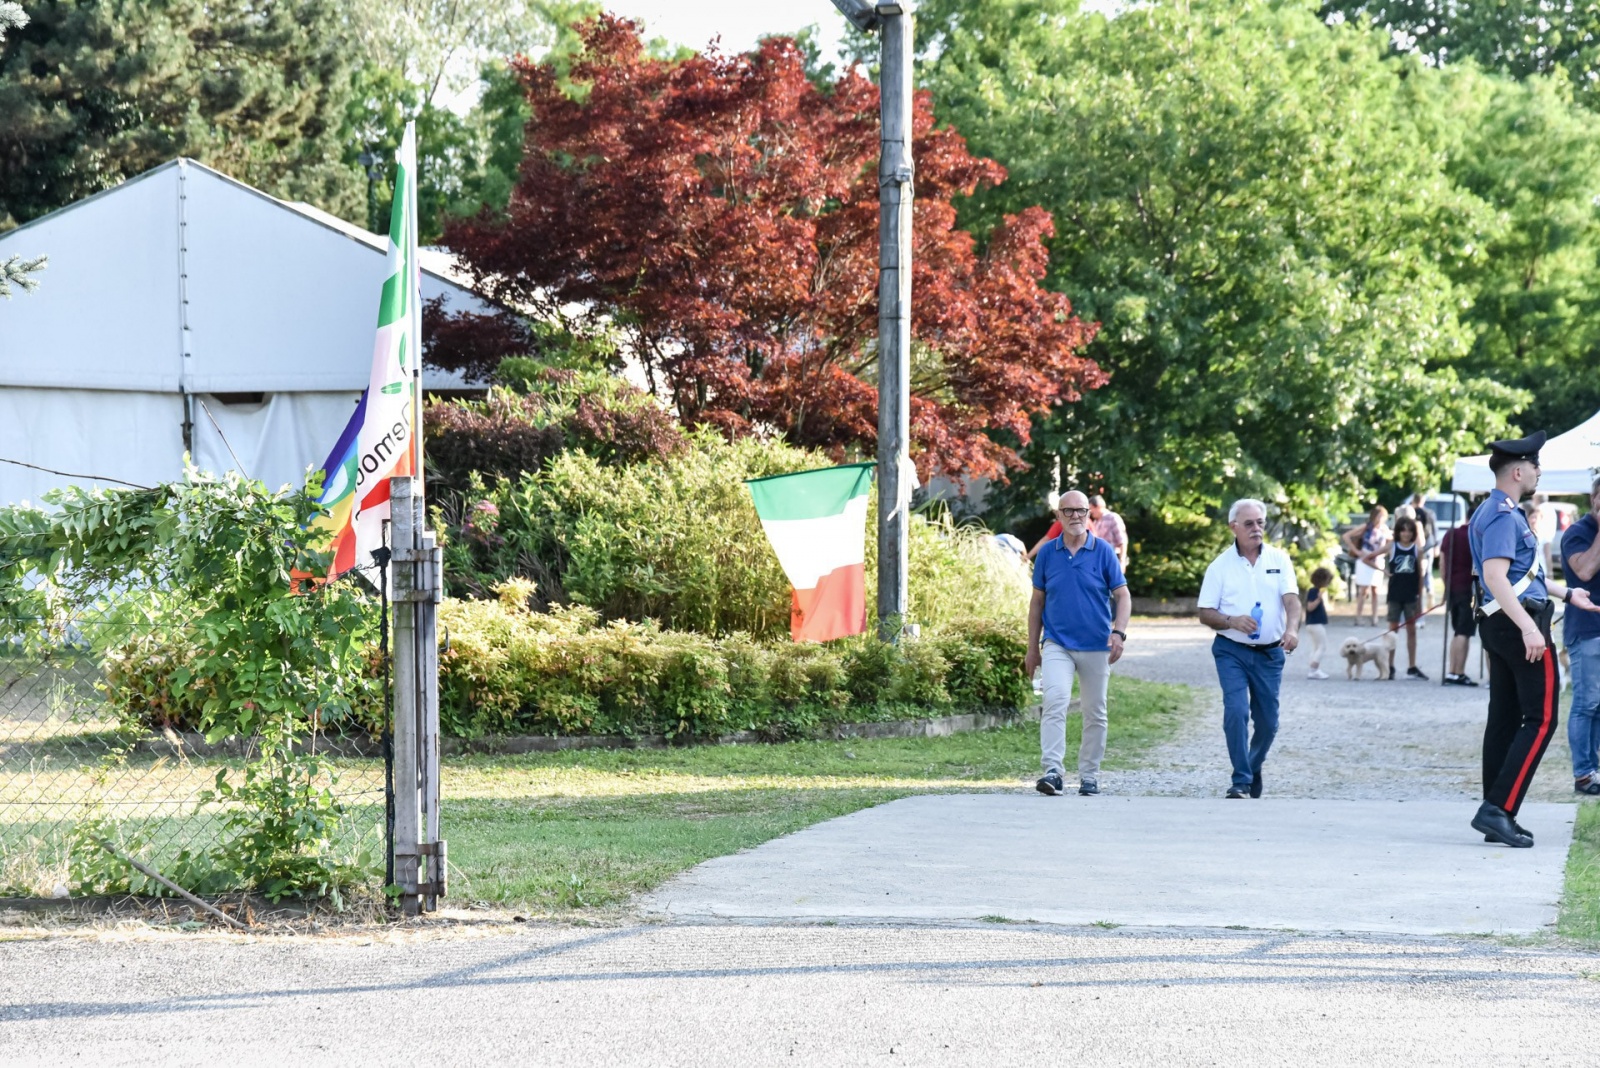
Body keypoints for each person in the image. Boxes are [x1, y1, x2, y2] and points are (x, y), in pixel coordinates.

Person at [1467, 431, 1599, 847]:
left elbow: (1523, 577)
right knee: (1541, 719)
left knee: (1504, 718)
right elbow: (1494, 576)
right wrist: (1528, 627)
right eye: (1536, 466)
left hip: (1501, 623)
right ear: (1519, 470)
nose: (1540, 472)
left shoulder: (1490, 510)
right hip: (1518, 626)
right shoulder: (1505, 516)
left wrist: (1566, 593)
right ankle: (1498, 809)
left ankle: (1496, 811)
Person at [1025, 490, 1132, 797]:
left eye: (1081, 511)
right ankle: (1053, 771)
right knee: (1055, 699)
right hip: (1057, 642)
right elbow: (1037, 603)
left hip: (1097, 644)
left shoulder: (1103, 552)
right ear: (1058, 516)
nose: (1075, 516)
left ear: (1089, 515)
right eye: (1068, 511)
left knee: (1095, 710)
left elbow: (1122, 596)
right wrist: (1033, 648)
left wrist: (1119, 632)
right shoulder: (1047, 554)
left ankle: (1089, 774)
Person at [1197, 498, 1301, 799]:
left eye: (1260, 523)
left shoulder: (1279, 560)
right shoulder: (1220, 566)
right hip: (1232, 651)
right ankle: (1241, 779)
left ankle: (1252, 766)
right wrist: (1231, 620)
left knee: (1268, 722)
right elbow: (1205, 612)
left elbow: (1292, 600)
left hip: (1270, 653)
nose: (1256, 529)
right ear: (1234, 527)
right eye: (1249, 524)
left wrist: (1292, 629)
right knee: (1236, 710)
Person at [1559, 474, 1600, 796]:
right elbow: (1585, 571)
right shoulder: (1577, 533)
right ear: (1594, 498)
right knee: (1586, 703)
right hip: (1586, 631)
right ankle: (1583, 774)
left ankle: (1595, 769)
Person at [1362, 515, 1428, 680]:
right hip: (1395, 593)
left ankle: (1411, 666)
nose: (1406, 534)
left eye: (1409, 531)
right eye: (1403, 530)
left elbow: (1420, 574)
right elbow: (1367, 558)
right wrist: (1383, 571)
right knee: (1393, 630)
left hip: (1411, 594)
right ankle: (1389, 666)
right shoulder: (1392, 546)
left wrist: (1420, 596)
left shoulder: (1416, 550)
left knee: (1411, 631)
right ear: (1398, 532)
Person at [1440, 511, 1479, 686]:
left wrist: (1446, 584)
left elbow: (1442, 563)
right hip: (1468, 588)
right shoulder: (1475, 536)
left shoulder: (1450, 534)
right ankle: (1459, 672)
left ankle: (1452, 670)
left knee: (1457, 631)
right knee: (1465, 631)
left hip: (1452, 587)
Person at [1342, 506, 1389, 627]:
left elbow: (1391, 542)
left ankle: (1374, 617)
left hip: (1377, 560)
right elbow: (1346, 536)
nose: (1380, 519)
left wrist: (1385, 552)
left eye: (1382, 517)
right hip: (1364, 559)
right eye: (1379, 516)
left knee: (1375, 591)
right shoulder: (1365, 527)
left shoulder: (1384, 529)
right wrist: (1356, 552)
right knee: (1363, 590)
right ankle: (1358, 616)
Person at [1410, 492, 1439, 613]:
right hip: (1429, 544)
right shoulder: (1430, 513)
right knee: (1428, 572)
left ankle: (1422, 594)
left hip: (1417, 545)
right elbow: (1434, 529)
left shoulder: (1412, 513)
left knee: (1419, 573)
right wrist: (1436, 545)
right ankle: (1430, 590)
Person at [1303, 567, 1332, 680]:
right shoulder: (1314, 591)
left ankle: (1315, 669)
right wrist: (1319, 599)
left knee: (1316, 647)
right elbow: (1310, 607)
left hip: (1313, 624)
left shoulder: (1316, 591)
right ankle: (1313, 669)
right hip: (1315, 624)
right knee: (1322, 646)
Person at [1088, 495, 1129, 568]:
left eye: (1091, 508)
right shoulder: (1095, 523)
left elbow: (1122, 541)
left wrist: (1122, 561)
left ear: (1098, 506)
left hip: (1113, 558)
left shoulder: (1113, 518)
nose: (1090, 512)